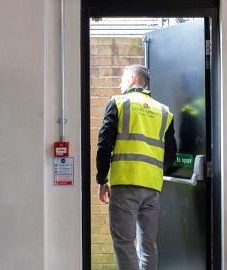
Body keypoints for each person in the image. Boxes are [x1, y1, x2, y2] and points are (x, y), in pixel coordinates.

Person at [96, 65, 177, 270]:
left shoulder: (119, 103)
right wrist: (153, 172)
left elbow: (104, 144)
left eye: (122, 79)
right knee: (148, 245)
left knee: (124, 243)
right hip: (152, 187)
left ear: (132, 78)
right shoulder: (164, 111)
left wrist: (101, 179)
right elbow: (171, 155)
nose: (120, 83)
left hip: (125, 183)